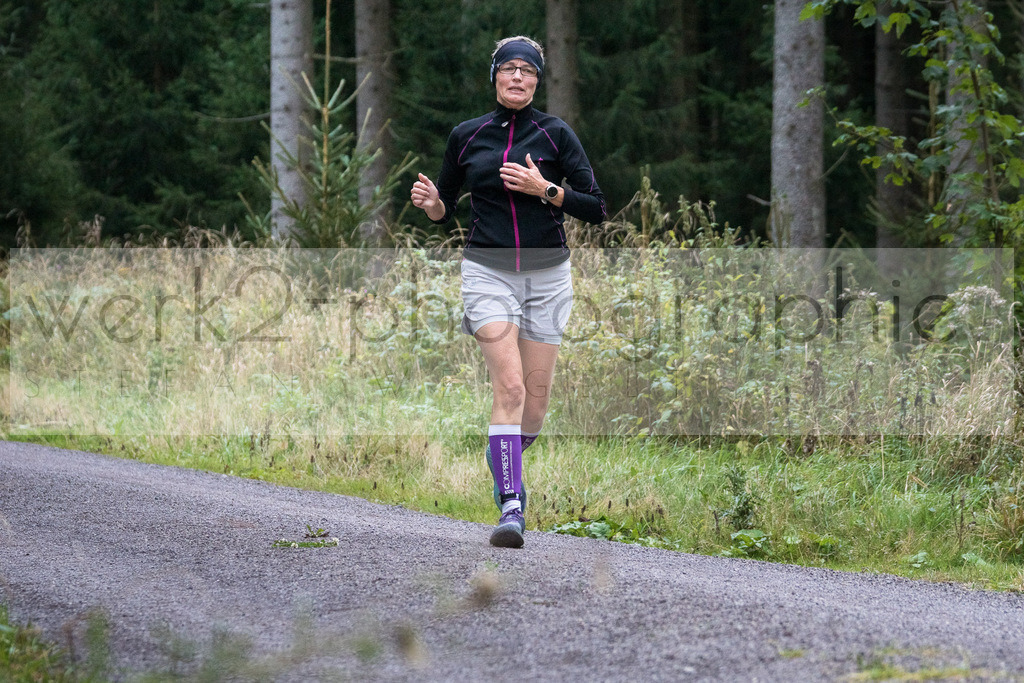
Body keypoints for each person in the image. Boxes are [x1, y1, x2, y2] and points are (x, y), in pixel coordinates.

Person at [410, 35, 606, 548]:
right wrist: (432, 202)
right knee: (512, 390)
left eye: (528, 71)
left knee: (535, 405)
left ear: (538, 80)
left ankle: (503, 455)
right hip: (487, 272)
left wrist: (545, 189)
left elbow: (595, 207)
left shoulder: (556, 133)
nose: (518, 78)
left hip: (548, 276)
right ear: (494, 75)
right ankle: (512, 506)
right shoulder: (467, 135)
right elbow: (444, 208)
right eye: (509, 69)